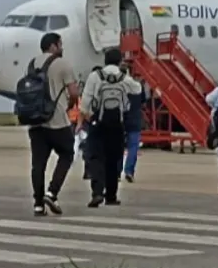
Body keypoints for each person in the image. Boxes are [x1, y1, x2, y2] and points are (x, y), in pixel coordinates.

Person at [17, 32, 79, 217]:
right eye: (60, 44)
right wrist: (68, 105)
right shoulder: (63, 63)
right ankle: (52, 192)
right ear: (53, 46)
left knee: (38, 164)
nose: (61, 47)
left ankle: (38, 205)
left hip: (36, 122)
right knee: (67, 154)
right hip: (57, 120)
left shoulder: (32, 64)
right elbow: (74, 92)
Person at [78, 49, 141, 207]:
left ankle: (97, 192)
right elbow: (138, 89)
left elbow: (85, 102)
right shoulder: (123, 77)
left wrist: (85, 117)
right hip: (117, 124)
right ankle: (111, 195)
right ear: (120, 61)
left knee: (96, 157)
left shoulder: (95, 76)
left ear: (105, 60)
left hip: (98, 123)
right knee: (114, 159)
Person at [120, 62, 147, 183]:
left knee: (118, 147)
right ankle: (129, 171)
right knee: (133, 147)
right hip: (135, 119)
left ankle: (116, 171)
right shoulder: (137, 86)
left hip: (120, 120)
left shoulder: (118, 85)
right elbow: (143, 103)